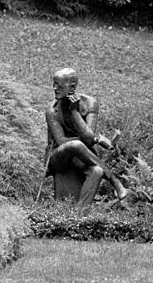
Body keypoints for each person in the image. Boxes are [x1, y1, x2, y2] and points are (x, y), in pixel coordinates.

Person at [44, 67, 129, 206]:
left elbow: (88, 139)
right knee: (75, 145)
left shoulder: (90, 103)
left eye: (59, 85)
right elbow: (62, 141)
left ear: (72, 87)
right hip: (57, 157)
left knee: (97, 171)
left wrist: (74, 112)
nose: (54, 88)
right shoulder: (52, 110)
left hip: (79, 157)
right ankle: (114, 180)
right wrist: (95, 139)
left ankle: (79, 215)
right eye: (54, 83)